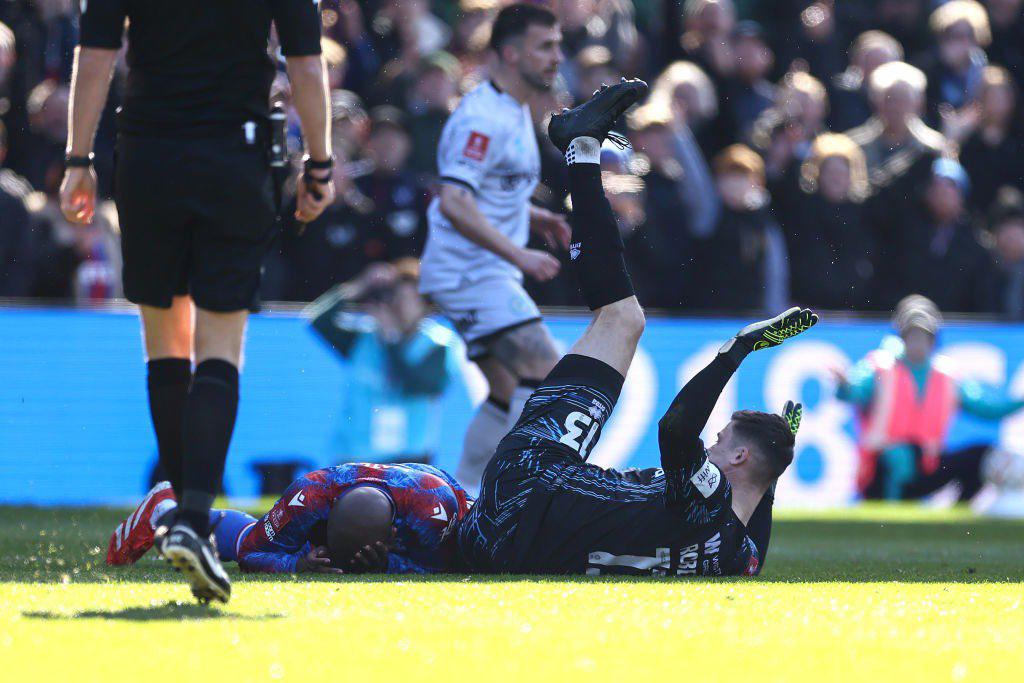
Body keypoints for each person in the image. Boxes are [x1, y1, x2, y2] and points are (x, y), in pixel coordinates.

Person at [458, 78, 819, 577]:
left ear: (737, 457)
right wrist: (781, 451)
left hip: (529, 485)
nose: (710, 448)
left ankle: (582, 149)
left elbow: (675, 429)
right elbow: (759, 505)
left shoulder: (707, 499)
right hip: (507, 551)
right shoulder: (739, 560)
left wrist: (736, 350)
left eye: (720, 441)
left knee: (622, 318)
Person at [61, 1, 335, 603]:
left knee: (165, 344)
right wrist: (319, 164)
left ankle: (185, 514)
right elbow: (307, 66)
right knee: (219, 344)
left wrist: (78, 159)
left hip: (148, 154)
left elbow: (97, 52)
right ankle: (192, 516)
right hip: (233, 157)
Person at [420, 4, 570, 493]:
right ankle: (507, 499)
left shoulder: (512, 110)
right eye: (545, 46)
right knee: (548, 373)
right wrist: (519, 253)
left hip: (475, 272)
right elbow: (456, 201)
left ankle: (461, 498)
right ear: (509, 52)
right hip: (472, 275)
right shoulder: (482, 120)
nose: (556, 57)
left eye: (558, 44)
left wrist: (534, 216)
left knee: (507, 393)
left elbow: (488, 193)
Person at [106, 461, 473, 575]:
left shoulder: (434, 511)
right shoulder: (309, 495)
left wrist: (389, 563)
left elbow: (442, 569)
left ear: (393, 533)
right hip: (339, 490)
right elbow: (251, 554)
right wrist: (296, 563)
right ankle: (168, 512)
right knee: (252, 536)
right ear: (325, 520)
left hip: (435, 484)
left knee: (474, 554)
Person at [835, 295, 1024, 501]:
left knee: (982, 456)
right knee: (899, 455)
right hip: (879, 469)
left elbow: (988, 409)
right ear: (902, 338)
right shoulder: (880, 366)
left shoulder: (947, 375)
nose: (918, 343)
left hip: (926, 465)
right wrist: (845, 385)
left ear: (933, 340)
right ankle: (888, 519)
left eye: (923, 337)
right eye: (912, 336)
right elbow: (855, 391)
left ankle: (957, 520)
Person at [305, 259, 459, 465]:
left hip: (409, 460)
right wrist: (361, 284)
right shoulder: (363, 339)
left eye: (408, 298)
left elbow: (414, 385)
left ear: (425, 305)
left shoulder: (438, 345)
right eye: (395, 297)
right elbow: (318, 320)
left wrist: (392, 340)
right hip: (355, 455)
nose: (399, 306)